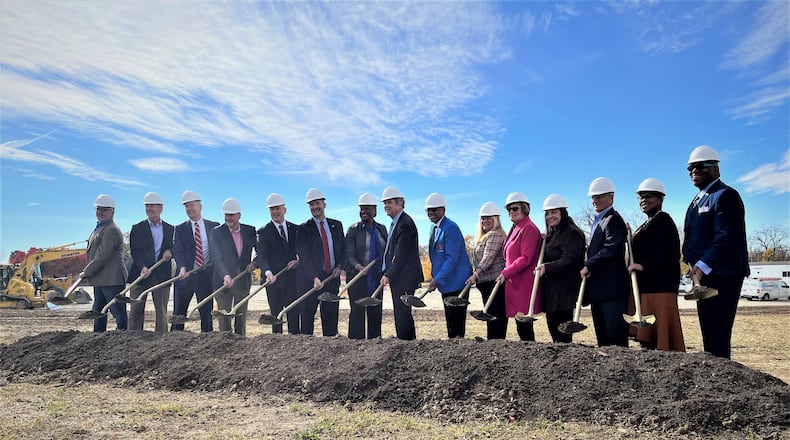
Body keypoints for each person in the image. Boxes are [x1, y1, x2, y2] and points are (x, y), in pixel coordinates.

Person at [683, 145, 749, 359]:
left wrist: (702, 265)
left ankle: (724, 379)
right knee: (708, 333)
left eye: (701, 166)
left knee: (719, 333)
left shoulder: (725, 195)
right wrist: (692, 264)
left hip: (724, 274)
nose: (695, 171)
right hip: (703, 276)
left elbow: (726, 236)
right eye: (690, 168)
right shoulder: (696, 201)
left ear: (716, 169)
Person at [627, 179, 685, 352]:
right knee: (646, 338)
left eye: (649, 196)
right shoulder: (647, 223)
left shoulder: (664, 221)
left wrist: (642, 266)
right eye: (641, 197)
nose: (643, 200)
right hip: (646, 288)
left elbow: (669, 254)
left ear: (660, 199)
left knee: (660, 337)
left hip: (660, 289)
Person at [581, 177, 630, 347]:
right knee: (603, 339)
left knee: (615, 338)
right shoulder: (600, 220)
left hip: (612, 290)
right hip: (599, 290)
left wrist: (589, 264)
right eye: (593, 197)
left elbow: (612, 249)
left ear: (611, 197)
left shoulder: (613, 219)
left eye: (600, 196)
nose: (595, 200)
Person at [295, 188, 345, 336]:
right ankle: (306, 351)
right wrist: (314, 277)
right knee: (307, 317)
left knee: (330, 317)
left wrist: (340, 266)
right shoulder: (303, 229)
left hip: (331, 279)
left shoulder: (337, 225)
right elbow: (304, 256)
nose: (315, 207)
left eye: (317, 203)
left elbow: (342, 250)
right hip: (311, 281)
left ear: (324, 204)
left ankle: (330, 347)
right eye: (311, 205)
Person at [537, 194, 586, 343]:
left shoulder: (571, 232)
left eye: (554, 212)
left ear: (563, 213)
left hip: (564, 293)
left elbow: (570, 259)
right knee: (555, 335)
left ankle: (565, 364)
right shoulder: (554, 234)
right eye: (547, 213)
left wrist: (547, 267)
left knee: (562, 337)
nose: (550, 216)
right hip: (552, 293)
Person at [425, 193, 473, 339]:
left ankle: (458, 352)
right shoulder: (434, 228)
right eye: (428, 210)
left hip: (457, 282)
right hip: (446, 283)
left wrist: (437, 279)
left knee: (456, 323)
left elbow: (451, 259)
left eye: (435, 210)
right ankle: (452, 352)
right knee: (450, 322)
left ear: (443, 210)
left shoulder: (451, 228)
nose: (431, 213)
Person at [171, 190, 219, 332]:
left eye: (192, 205)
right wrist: (182, 267)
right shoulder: (180, 229)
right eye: (186, 206)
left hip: (206, 276)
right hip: (185, 275)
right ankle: (175, 340)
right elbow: (178, 251)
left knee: (206, 312)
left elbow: (219, 249)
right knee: (179, 313)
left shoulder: (214, 226)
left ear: (200, 206)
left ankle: (207, 339)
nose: (190, 209)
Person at [79, 194, 128, 332]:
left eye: (105, 210)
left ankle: (123, 337)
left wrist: (86, 272)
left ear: (113, 211)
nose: (101, 212)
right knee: (98, 311)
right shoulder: (99, 228)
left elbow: (102, 256)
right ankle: (98, 337)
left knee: (117, 310)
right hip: (100, 278)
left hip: (112, 279)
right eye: (99, 209)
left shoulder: (111, 229)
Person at [380, 186, 423, 340]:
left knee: (402, 313)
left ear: (400, 203)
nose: (386, 206)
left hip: (404, 277)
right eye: (384, 203)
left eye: (389, 202)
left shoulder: (404, 223)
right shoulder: (397, 223)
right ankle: (405, 342)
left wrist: (389, 274)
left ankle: (406, 343)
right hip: (401, 276)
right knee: (401, 312)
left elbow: (401, 254)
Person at [498, 192, 542, 341]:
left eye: (515, 208)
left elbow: (526, 258)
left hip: (523, 283)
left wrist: (506, 272)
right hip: (514, 281)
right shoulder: (516, 227)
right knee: (521, 326)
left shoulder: (528, 228)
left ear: (524, 208)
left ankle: (531, 357)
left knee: (524, 326)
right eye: (508, 209)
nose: (511, 211)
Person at [210, 198, 257, 336]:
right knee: (224, 321)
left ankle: (241, 349)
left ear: (239, 215)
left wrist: (255, 262)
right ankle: (225, 348)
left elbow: (260, 251)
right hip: (222, 284)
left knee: (240, 321)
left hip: (242, 283)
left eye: (232, 215)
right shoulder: (216, 232)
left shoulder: (250, 231)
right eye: (226, 215)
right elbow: (216, 258)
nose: (229, 218)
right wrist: (225, 275)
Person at [128, 192, 174, 332]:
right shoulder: (137, 228)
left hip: (161, 276)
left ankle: (161, 342)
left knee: (161, 312)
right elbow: (135, 251)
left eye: (153, 206)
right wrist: (142, 267)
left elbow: (176, 247)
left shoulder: (170, 229)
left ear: (161, 208)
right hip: (140, 275)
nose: (150, 209)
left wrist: (170, 251)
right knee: (136, 311)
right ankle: (132, 338)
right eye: (147, 206)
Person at [344, 193, 387, 339]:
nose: (364, 212)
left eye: (367, 209)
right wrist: (358, 267)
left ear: (375, 211)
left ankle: (375, 342)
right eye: (362, 209)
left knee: (375, 310)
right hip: (357, 278)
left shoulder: (381, 229)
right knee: (357, 312)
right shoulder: (353, 230)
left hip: (376, 278)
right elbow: (349, 254)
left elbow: (387, 251)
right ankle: (356, 344)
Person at [255, 193, 299, 334]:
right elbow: (261, 256)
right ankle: (277, 345)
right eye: (272, 209)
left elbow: (302, 251)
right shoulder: (263, 232)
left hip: (293, 280)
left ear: (284, 210)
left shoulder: (295, 229)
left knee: (293, 314)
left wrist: (299, 262)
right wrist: (268, 272)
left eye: (277, 208)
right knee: (276, 315)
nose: (275, 212)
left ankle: (294, 342)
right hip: (274, 281)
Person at [465, 202, 507, 339]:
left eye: (489, 217)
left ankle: (497, 343)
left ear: (496, 219)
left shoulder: (496, 234)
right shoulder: (483, 236)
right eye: (483, 218)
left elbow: (488, 257)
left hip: (494, 282)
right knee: (490, 315)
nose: (485, 221)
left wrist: (475, 274)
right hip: (485, 283)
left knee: (496, 316)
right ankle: (492, 343)